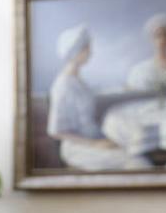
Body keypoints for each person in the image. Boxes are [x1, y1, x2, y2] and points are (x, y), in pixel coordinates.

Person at [46, 24, 151, 171]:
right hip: (78, 148)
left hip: (94, 139)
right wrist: (94, 144)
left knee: (137, 150)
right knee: (138, 163)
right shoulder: (63, 85)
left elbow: (96, 93)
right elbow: (56, 131)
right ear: (77, 51)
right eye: (87, 48)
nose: (91, 52)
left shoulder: (78, 80)